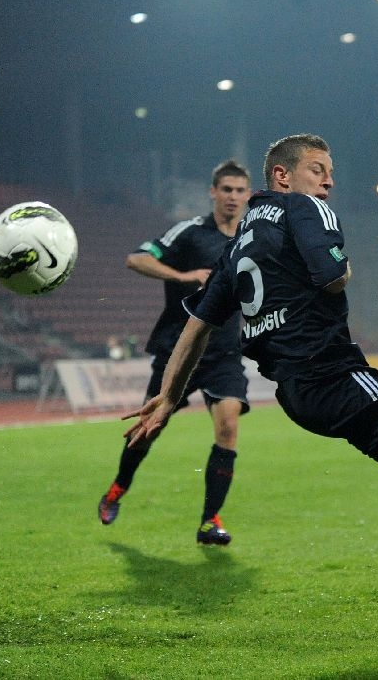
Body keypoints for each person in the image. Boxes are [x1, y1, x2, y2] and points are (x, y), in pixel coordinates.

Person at [120, 134, 378, 635]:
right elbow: (333, 276)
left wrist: (169, 397)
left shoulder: (236, 246)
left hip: (298, 393)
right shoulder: (302, 209)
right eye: (317, 169)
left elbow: (196, 326)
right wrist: (341, 261)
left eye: (329, 171)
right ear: (283, 177)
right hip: (333, 377)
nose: (328, 180)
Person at [98, 160, 253, 545]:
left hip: (224, 354)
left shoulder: (250, 239)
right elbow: (136, 258)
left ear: (248, 195)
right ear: (213, 192)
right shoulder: (190, 233)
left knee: (229, 424)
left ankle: (209, 522)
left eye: (240, 190)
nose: (233, 197)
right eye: (227, 190)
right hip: (177, 353)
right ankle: (118, 487)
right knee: (150, 428)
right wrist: (183, 276)